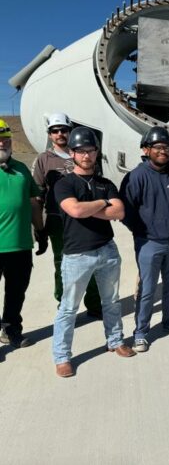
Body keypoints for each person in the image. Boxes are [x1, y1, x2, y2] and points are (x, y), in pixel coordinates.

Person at [52, 127, 135, 378]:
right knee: (68, 308)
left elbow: (119, 212)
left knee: (111, 301)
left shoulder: (106, 183)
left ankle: (115, 340)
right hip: (77, 255)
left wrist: (91, 207)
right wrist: (101, 203)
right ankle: (62, 357)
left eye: (90, 150)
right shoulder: (64, 183)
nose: (86, 155)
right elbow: (75, 210)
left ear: (97, 152)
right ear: (72, 153)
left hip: (107, 250)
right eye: (80, 151)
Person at [120, 126, 169, 353]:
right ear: (146, 149)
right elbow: (126, 209)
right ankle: (141, 332)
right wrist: (142, 232)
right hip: (148, 242)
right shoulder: (137, 176)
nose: (164, 151)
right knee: (148, 289)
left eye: (166, 147)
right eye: (158, 147)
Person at [32, 112, 102, 318]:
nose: (60, 134)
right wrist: (40, 228)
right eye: (55, 131)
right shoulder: (44, 159)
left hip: (86, 220)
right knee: (62, 266)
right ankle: (64, 305)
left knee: (91, 263)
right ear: (50, 134)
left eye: (64, 129)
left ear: (70, 131)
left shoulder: (84, 156)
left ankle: (94, 305)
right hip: (58, 222)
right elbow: (37, 195)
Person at [0, 119, 48, 348]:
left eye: (5, 139)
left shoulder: (20, 169)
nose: (2, 143)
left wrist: (40, 231)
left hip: (20, 245)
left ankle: (11, 330)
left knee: (16, 292)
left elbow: (34, 202)